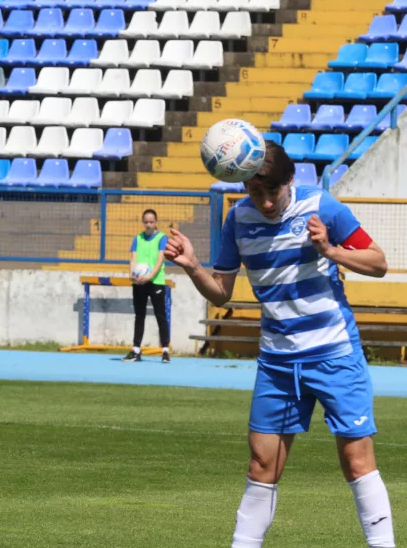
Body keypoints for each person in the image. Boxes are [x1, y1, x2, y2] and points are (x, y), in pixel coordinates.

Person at [164, 142, 394, 548]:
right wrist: (193, 266)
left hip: (335, 354)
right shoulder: (237, 220)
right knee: (261, 465)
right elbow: (220, 294)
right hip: (277, 363)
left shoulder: (323, 206)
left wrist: (330, 250)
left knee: (356, 463)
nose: (266, 202)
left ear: (290, 180)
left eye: (273, 191)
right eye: (256, 192)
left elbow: (378, 263)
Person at [124, 209, 171, 363]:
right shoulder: (137, 238)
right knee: (139, 316)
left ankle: (165, 350)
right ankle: (136, 350)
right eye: (146, 222)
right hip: (139, 282)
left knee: (160, 315)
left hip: (155, 281)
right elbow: (133, 259)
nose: (149, 225)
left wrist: (150, 277)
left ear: (156, 222)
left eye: (151, 222)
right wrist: (132, 274)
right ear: (143, 222)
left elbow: (160, 260)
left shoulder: (161, 238)